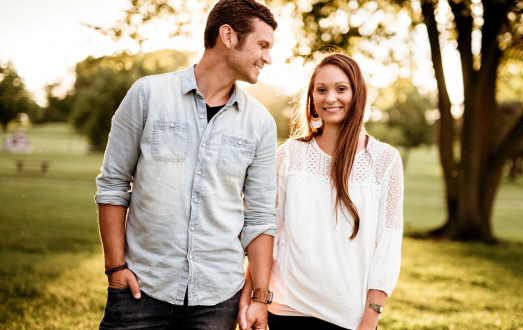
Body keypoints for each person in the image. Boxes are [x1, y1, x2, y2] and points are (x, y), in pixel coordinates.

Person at [95, 0, 278, 329]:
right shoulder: (147, 94)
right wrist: (115, 268)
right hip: (140, 290)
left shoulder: (261, 123)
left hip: (217, 299)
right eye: (262, 45)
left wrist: (260, 297)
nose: (268, 57)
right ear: (228, 36)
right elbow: (113, 185)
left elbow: (261, 216)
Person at [242, 53, 404, 329]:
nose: (331, 98)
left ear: (357, 94)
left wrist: (370, 317)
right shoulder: (290, 155)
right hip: (288, 308)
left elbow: (388, 244)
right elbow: (268, 230)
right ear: (312, 98)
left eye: (341, 88)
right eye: (321, 89)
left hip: (349, 317)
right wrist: (256, 297)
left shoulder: (385, 160)